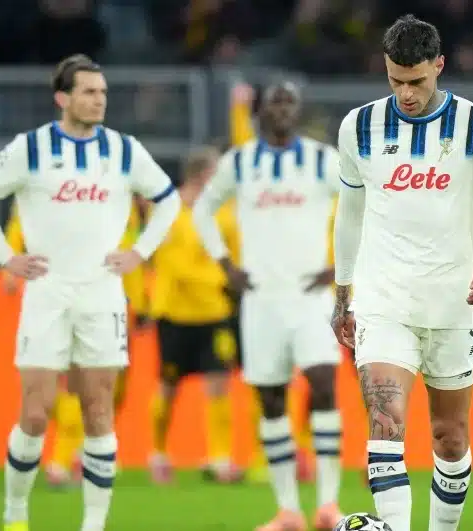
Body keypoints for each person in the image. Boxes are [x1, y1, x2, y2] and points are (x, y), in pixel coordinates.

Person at [0, 54, 180, 531]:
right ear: (63, 98)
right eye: (88, 92)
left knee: (99, 410)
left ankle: (93, 526)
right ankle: (16, 514)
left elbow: (168, 199)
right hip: (46, 293)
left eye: (102, 92)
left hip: (102, 295)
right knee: (36, 414)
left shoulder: (125, 150)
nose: (99, 100)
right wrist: (5, 256)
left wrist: (140, 252)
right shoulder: (30, 148)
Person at [331, 15, 473, 531]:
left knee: (449, 437)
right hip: (384, 300)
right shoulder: (360, 127)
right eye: (395, 80)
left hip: (454, 303)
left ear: (439, 66)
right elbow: (349, 214)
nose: (406, 93)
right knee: (385, 422)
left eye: (416, 80)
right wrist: (343, 290)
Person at [194, 81, 345, 531]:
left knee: (323, 383)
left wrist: (338, 266)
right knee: (271, 399)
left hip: (311, 298)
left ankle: (328, 504)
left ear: (297, 111)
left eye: (289, 103)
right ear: (259, 112)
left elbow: (364, 201)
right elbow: (203, 209)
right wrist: (225, 265)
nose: (282, 110)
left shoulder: (322, 159)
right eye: (275, 103)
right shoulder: (239, 162)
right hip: (261, 300)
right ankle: (287, 511)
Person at [0, 198, 150, 488]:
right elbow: (22, 222)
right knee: (76, 382)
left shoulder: (124, 200)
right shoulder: (63, 189)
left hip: (120, 304)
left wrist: (140, 303)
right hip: (76, 300)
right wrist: (8, 267)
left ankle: (86, 452)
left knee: (113, 389)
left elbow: (129, 253)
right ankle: (60, 460)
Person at [227, 81, 316, 484]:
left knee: (317, 378)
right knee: (266, 379)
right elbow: (246, 145)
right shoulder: (247, 170)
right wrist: (238, 111)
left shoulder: (318, 176)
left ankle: (303, 450)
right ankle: (276, 455)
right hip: (259, 290)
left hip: (314, 293)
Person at [146, 145, 243, 485]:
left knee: (219, 384)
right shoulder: (168, 211)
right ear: (203, 175)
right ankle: (158, 453)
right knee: (168, 387)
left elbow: (235, 253)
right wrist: (224, 278)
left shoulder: (223, 213)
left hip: (215, 314)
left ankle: (220, 459)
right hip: (175, 315)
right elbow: (173, 266)